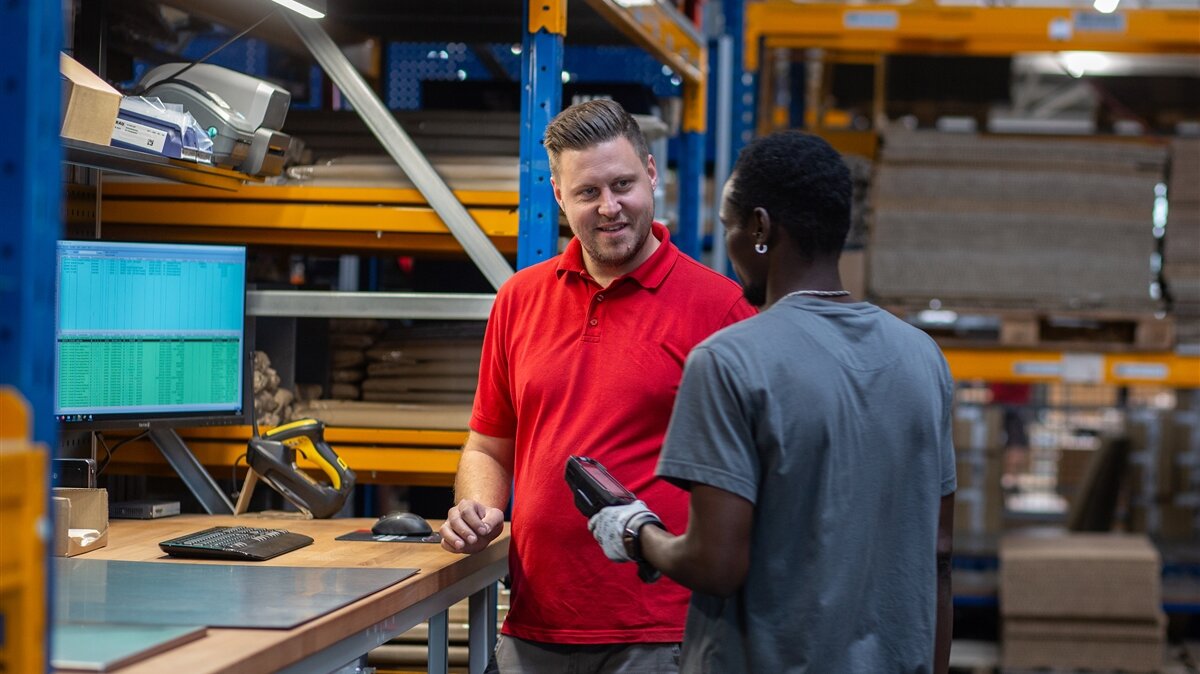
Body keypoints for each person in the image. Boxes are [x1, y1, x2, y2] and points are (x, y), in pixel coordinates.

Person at [587, 130, 956, 673]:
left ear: (759, 228)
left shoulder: (730, 361)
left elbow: (716, 564)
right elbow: (939, 554)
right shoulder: (923, 359)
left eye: (730, 227)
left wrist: (636, 533)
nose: (731, 246)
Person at [439, 99, 757, 672]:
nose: (610, 207)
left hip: (663, 631)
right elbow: (489, 445)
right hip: (536, 622)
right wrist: (476, 505)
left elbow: (756, 474)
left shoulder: (721, 309)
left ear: (653, 174)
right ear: (559, 198)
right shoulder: (519, 299)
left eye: (624, 184)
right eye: (588, 193)